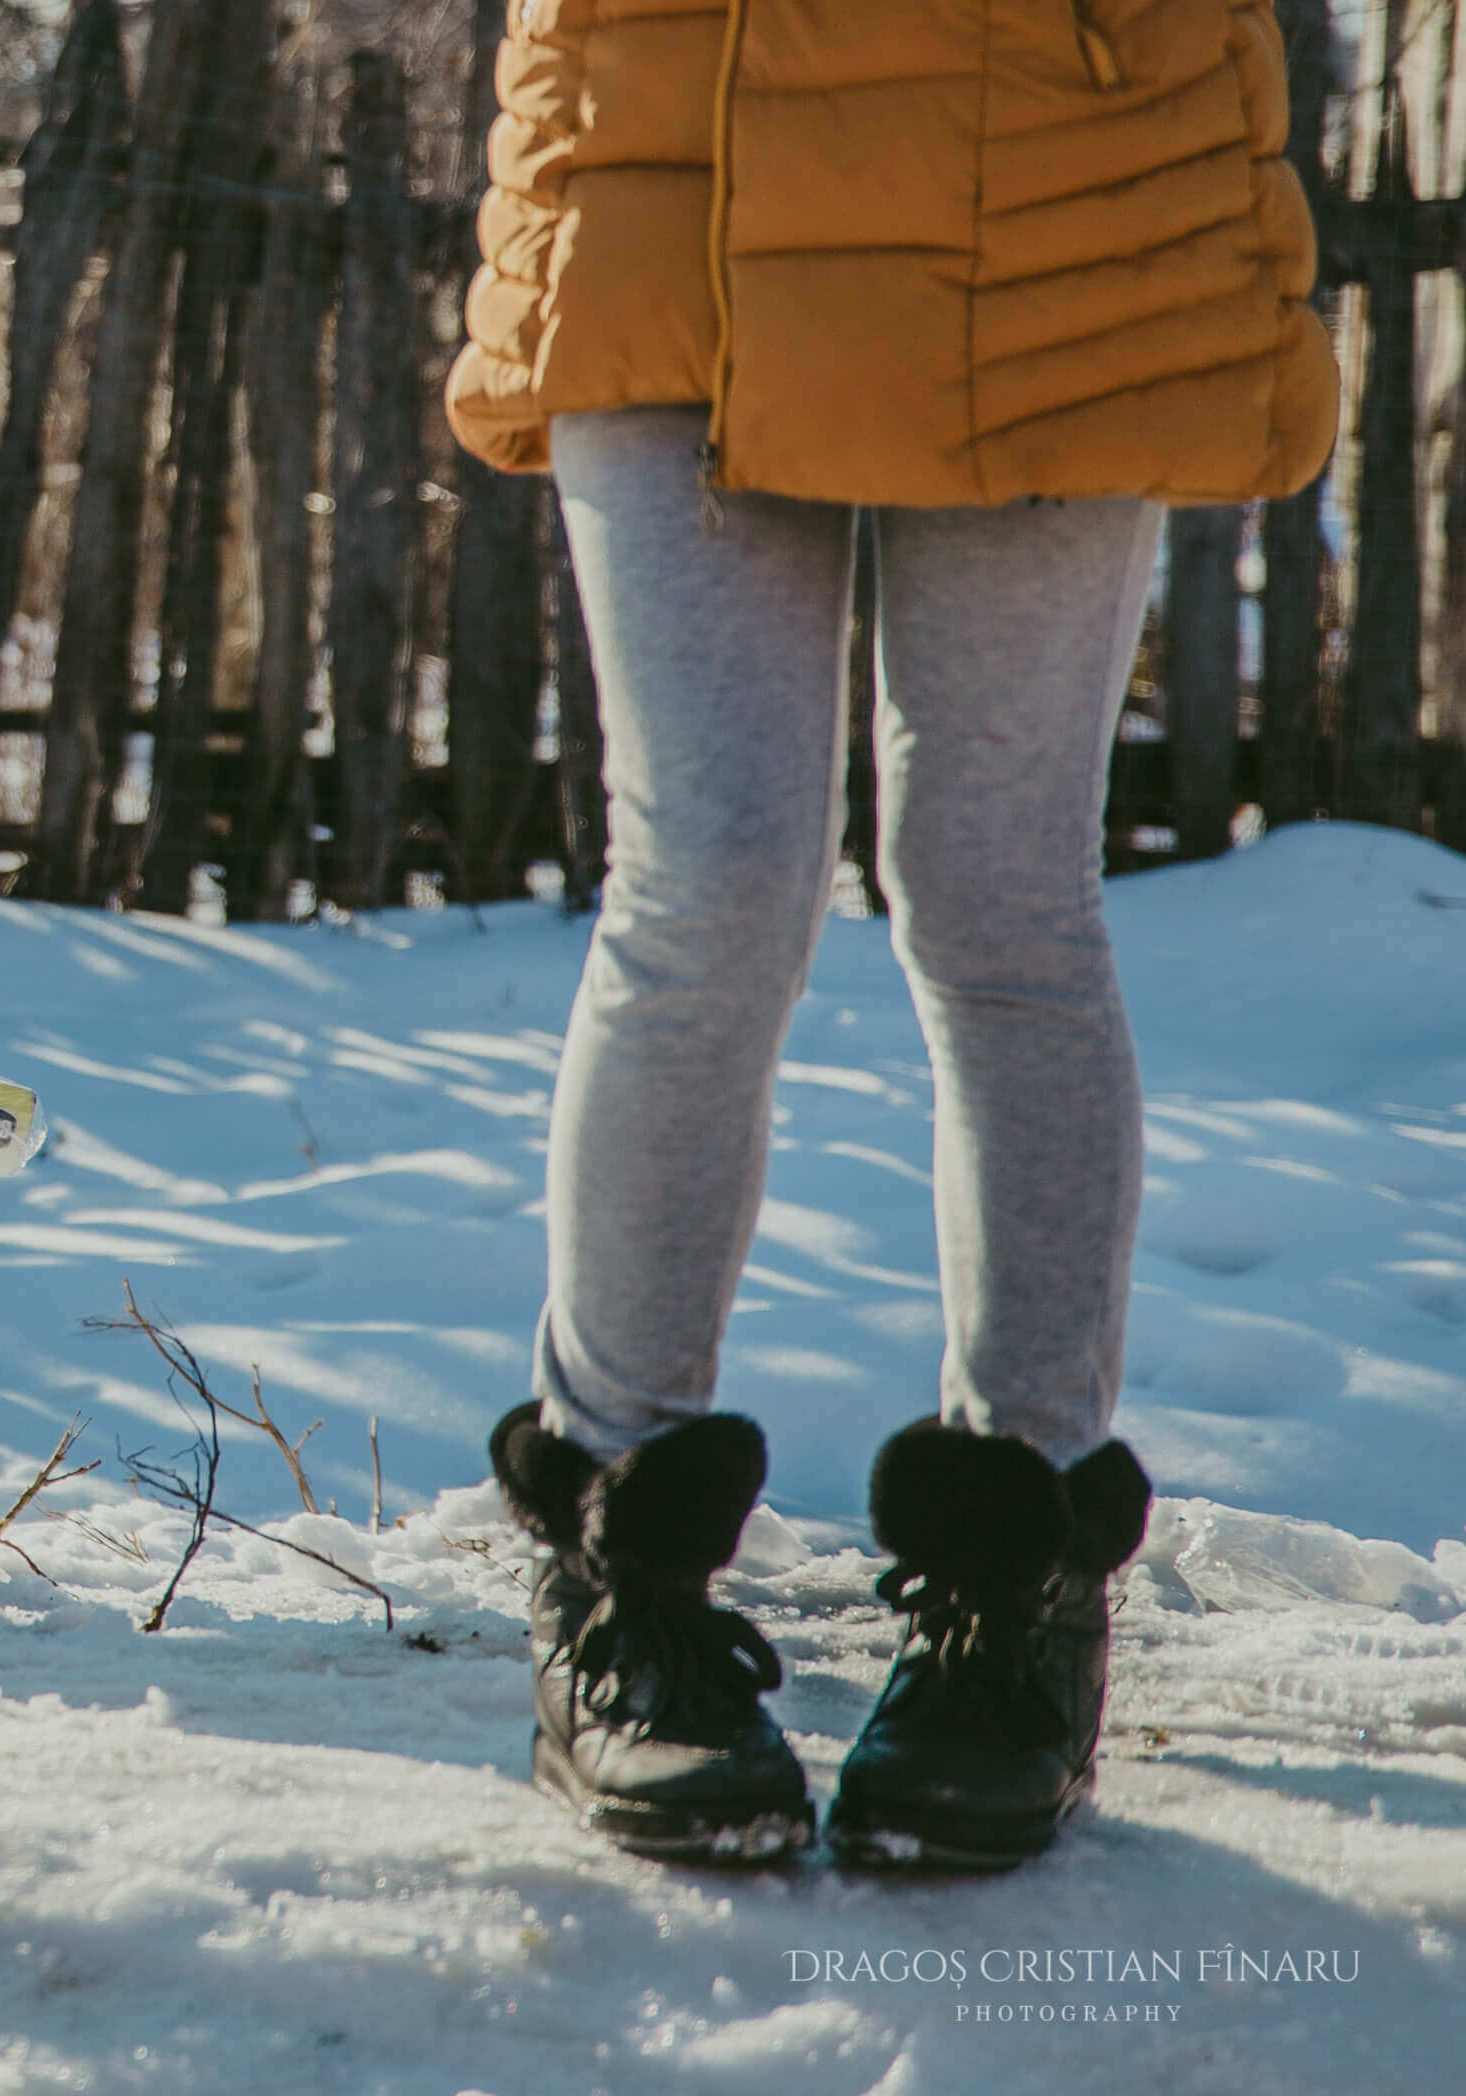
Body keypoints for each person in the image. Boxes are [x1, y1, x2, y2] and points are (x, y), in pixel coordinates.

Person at [446, 3, 1337, 1869]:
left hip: (1058, 193)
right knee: (703, 883)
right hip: (665, 161)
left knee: (999, 896)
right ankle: (618, 1561)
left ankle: (1012, 1571)